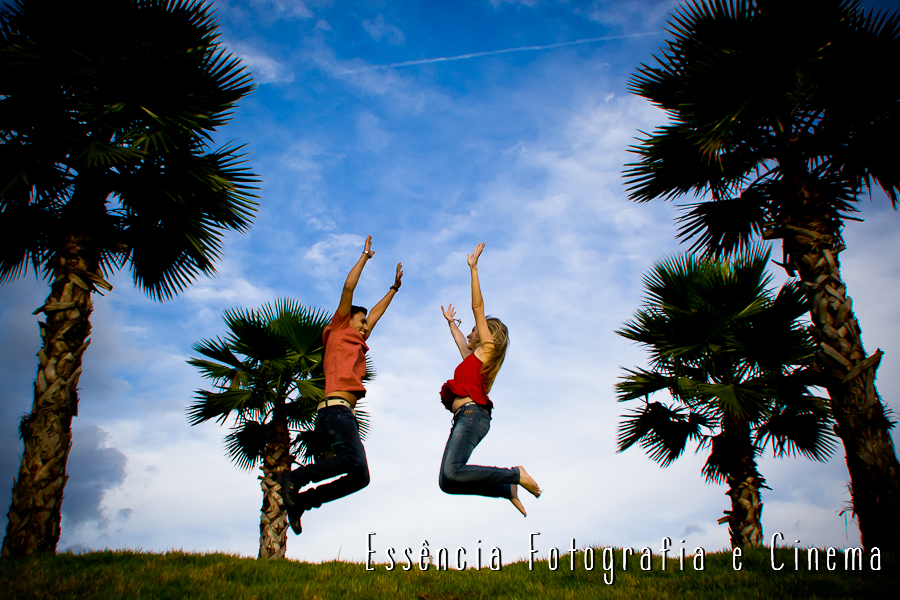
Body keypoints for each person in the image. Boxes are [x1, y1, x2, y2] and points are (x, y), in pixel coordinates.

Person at [279, 235, 402, 534]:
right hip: (334, 411)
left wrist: (394, 289)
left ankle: (303, 501)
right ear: (349, 319)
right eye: (361, 321)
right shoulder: (339, 327)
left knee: (360, 476)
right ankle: (294, 479)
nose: (366, 325)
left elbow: (375, 314)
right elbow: (349, 288)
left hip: (342, 413)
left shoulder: (357, 339)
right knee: (351, 460)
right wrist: (364, 257)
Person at [438, 242, 540, 516]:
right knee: (448, 480)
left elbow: (477, 307)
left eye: (475, 330)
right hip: (466, 417)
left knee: (452, 472)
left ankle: (514, 474)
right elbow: (461, 344)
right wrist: (451, 322)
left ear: (487, 335)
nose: (471, 333)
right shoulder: (474, 359)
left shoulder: (487, 349)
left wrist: (473, 269)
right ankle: (506, 488)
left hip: (472, 415)